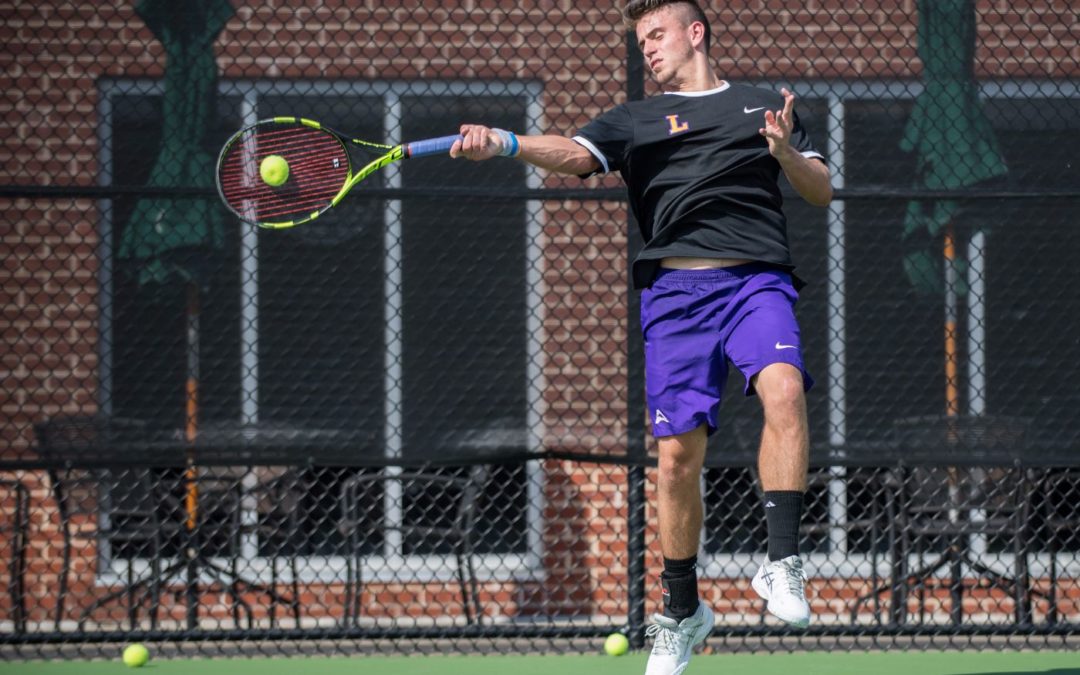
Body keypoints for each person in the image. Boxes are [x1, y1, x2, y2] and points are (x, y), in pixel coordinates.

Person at [451, 1, 832, 672]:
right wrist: (507, 142)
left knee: (785, 389)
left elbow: (820, 189)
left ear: (696, 32)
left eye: (657, 34)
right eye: (641, 40)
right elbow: (573, 155)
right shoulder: (634, 120)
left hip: (756, 281)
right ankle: (682, 612)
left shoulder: (766, 105)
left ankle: (783, 564)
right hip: (675, 298)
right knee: (678, 459)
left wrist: (784, 151)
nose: (648, 49)